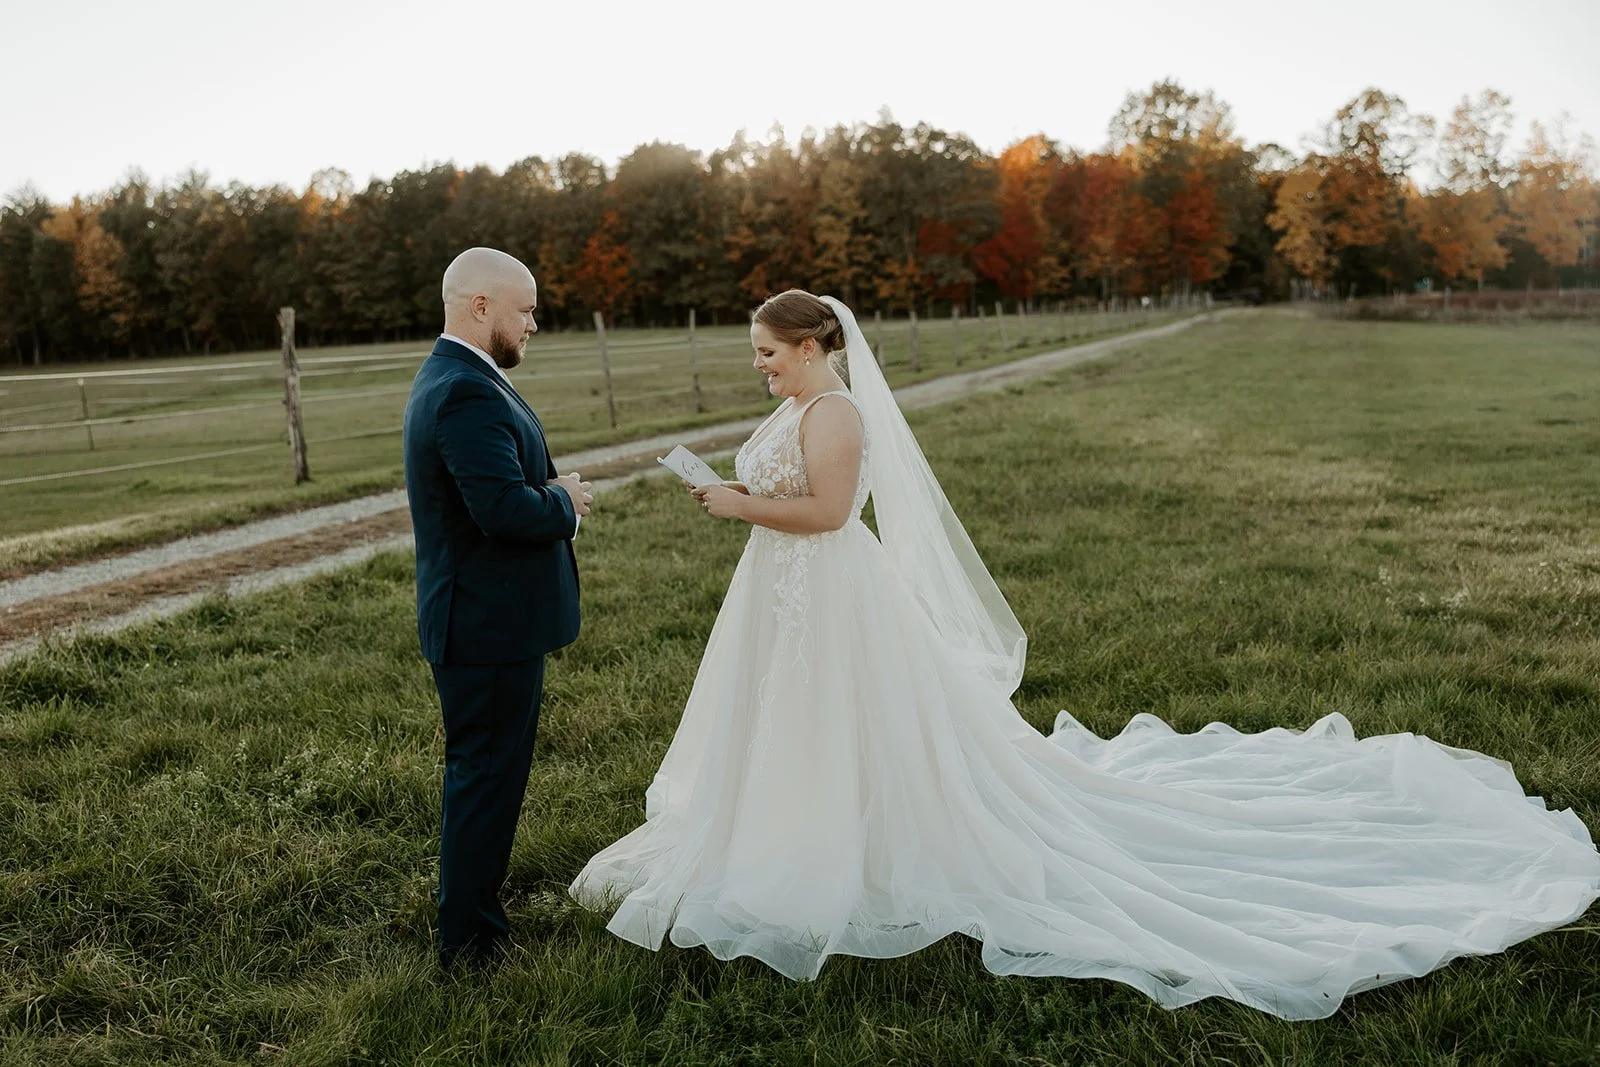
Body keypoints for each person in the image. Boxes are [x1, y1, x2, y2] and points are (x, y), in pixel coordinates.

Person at [571, 288, 1600, 1019]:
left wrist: (732, 500)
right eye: (757, 352)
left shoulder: (835, 410)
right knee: (791, 725)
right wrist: (740, 497)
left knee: (851, 719)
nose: (758, 364)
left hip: (828, 591)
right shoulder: (795, 405)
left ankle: (851, 844)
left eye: (766, 350)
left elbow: (832, 511)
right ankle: (785, 830)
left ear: (811, 344)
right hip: (780, 594)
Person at [403, 247, 593, 967]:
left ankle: (475, 916)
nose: (535, 324)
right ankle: (470, 944)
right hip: (484, 624)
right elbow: (501, 508)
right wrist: (565, 501)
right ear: (479, 306)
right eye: (526, 308)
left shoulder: (463, 376)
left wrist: (547, 488)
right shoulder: (464, 390)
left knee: (486, 776)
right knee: (484, 779)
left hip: (488, 619)